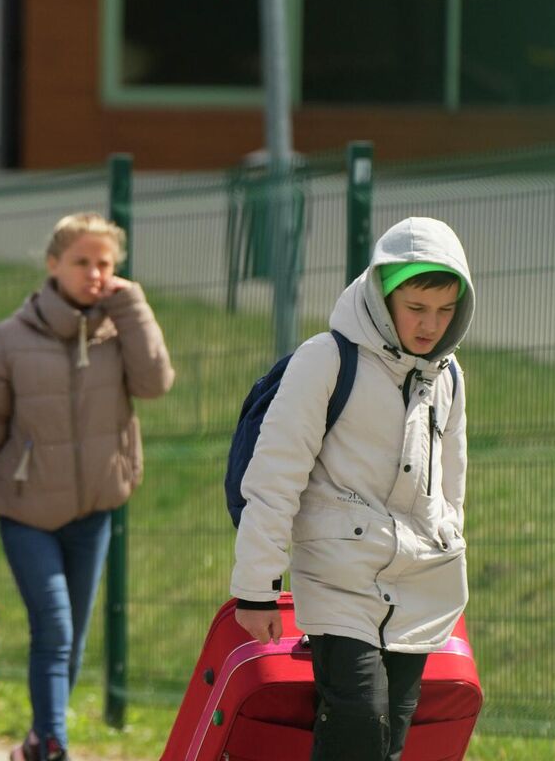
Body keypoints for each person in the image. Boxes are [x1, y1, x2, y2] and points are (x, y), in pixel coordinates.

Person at [230, 217, 475, 761]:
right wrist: (256, 587)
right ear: (381, 293)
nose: (430, 325)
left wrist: (447, 551)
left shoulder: (450, 377)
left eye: (444, 310)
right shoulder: (326, 358)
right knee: (359, 721)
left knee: (390, 740)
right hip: (339, 579)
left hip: (418, 582)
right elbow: (274, 476)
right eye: (416, 308)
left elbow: (451, 488)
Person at [0, 213, 174, 761]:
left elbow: (155, 383)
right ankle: (52, 746)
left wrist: (133, 305)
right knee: (55, 628)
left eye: (106, 264)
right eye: (82, 262)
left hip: (94, 510)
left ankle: (35, 742)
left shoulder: (121, 331)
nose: (95, 274)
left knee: (69, 640)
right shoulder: (7, 340)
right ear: (53, 265)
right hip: (26, 513)